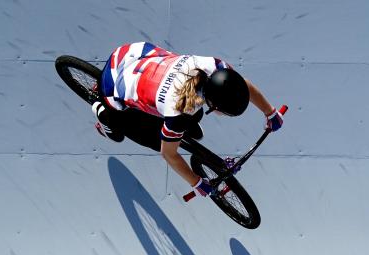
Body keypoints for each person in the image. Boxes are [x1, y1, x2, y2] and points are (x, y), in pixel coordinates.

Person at [92, 42, 284, 198]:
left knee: (185, 120)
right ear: (212, 105)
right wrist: (196, 182)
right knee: (148, 139)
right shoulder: (180, 111)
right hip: (115, 81)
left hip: (134, 53)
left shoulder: (217, 68)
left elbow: (242, 85)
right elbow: (169, 155)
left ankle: (180, 130)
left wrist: (271, 112)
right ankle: (102, 114)